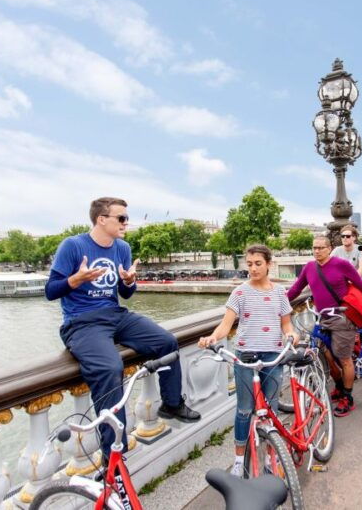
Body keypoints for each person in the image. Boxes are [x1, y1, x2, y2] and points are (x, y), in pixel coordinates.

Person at [45, 197, 200, 462]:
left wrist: (129, 281)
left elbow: (125, 294)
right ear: (101, 219)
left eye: (127, 218)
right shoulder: (73, 246)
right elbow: (50, 291)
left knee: (166, 342)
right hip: (81, 322)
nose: (126, 223)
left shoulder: (122, 248)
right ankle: (113, 452)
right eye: (121, 218)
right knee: (109, 368)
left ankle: (172, 403)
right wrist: (75, 279)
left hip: (115, 314)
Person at [198, 245, 299, 476]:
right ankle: (237, 459)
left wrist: (292, 335)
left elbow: (286, 324)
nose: (253, 268)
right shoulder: (240, 293)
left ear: (268, 264)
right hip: (245, 356)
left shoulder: (280, 292)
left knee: (270, 410)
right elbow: (226, 325)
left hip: (273, 356)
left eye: (258, 263)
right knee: (244, 410)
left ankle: (270, 456)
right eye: (249, 264)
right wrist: (212, 337)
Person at [287, 235, 362, 417]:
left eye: (321, 248)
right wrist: (278, 303)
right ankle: (339, 387)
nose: (317, 251)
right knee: (327, 355)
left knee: (344, 358)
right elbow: (295, 289)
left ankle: (348, 397)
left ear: (329, 249)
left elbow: (359, 283)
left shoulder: (340, 264)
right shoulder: (309, 267)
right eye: (314, 248)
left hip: (342, 317)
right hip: (322, 318)